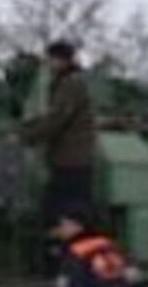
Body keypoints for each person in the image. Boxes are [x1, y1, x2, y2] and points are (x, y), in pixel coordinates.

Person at [21, 40, 96, 225]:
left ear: (62, 60)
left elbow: (56, 119)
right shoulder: (69, 82)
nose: (48, 64)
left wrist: (26, 136)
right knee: (66, 214)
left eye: (51, 59)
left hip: (71, 163)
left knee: (61, 215)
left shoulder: (70, 84)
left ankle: (64, 252)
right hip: (72, 162)